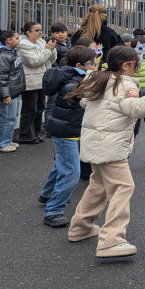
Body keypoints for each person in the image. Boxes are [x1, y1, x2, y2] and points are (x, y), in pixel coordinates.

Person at [66, 46, 145, 258]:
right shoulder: (124, 84)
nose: (138, 66)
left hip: (96, 142)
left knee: (98, 186)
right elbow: (137, 109)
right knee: (123, 186)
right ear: (127, 65)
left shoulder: (100, 80)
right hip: (110, 145)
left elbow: (86, 102)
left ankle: (80, 227)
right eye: (137, 63)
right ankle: (111, 240)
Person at [38, 46, 95, 228]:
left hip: (71, 129)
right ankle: (53, 211)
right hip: (66, 131)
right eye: (91, 63)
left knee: (61, 164)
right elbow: (71, 90)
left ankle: (47, 194)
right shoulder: (73, 79)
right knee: (71, 171)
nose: (94, 66)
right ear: (79, 65)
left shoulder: (77, 75)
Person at [17, 22, 58, 145]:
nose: (40, 32)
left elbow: (51, 60)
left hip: (42, 80)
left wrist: (52, 49)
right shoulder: (23, 46)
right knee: (30, 109)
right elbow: (34, 61)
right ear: (28, 32)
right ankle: (25, 135)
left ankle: (36, 133)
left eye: (41, 30)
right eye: (37, 30)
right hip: (31, 81)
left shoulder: (41, 43)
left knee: (40, 108)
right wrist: (47, 50)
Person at [0, 29, 25, 153]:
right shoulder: (3, 56)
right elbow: (1, 77)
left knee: (12, 116)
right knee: (7, 117)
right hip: (9, 92)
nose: (19, 41)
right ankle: (0, 143)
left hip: (13, 91)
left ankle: (7, 140)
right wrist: (5, 95)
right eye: (17, 38)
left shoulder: (10, 52)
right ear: (9, 40)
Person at [44, 23, 70, 133]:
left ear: (66, 33)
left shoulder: (68, 44)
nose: (61, 34)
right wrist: (61, 69)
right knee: (52, 103)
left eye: (63, 32)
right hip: (55, 76)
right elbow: (51, 61)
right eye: (57, 32)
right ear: (52, 34)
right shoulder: (52, 45)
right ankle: (48, 127)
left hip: (66, 76)